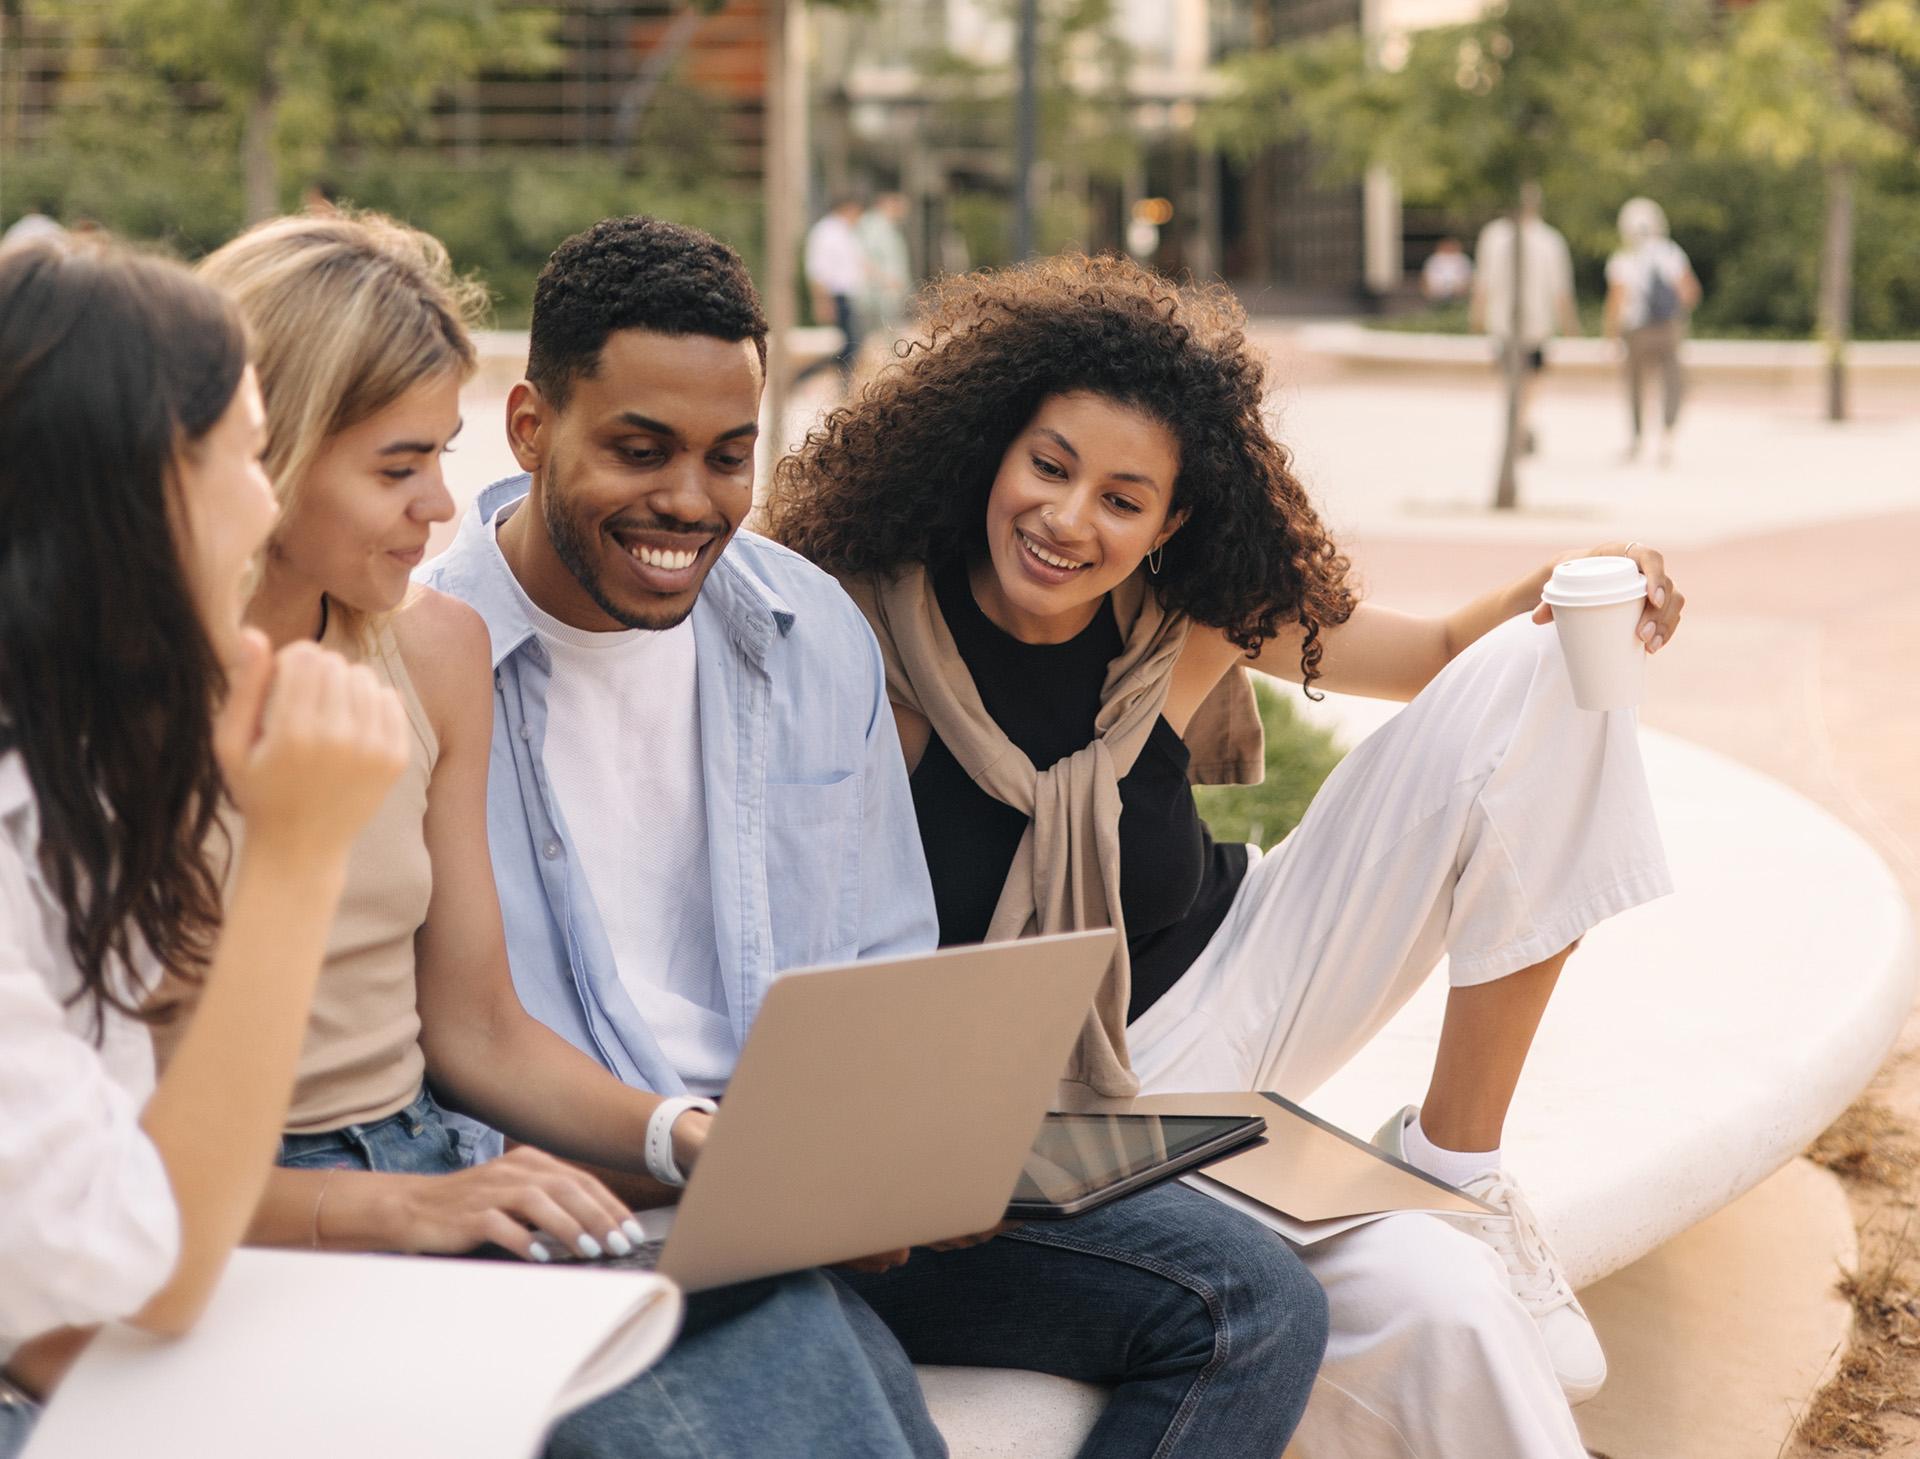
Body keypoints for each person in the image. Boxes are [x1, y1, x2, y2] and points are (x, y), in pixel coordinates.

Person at [422, 214, 1331, 1459]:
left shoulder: (805, 630)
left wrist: (909, 1155)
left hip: (817, 1191)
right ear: (530, 426)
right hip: (589, 1202)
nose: (687, 500)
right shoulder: (425, 660)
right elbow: (445, 1057)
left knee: (1253, 1304)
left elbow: (886, 959)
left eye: (728, 456)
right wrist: (710, 1157)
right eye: (639, 450)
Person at [766, 252, 1689, 1459]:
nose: (1068, 520)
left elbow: (1439, 657)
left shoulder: (1186, 619)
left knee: (1549, 663)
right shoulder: (862, 633)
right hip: (1025, 1105)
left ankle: (1458, 1160)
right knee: (1437, 1298)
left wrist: (1584, 577)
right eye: (1049, 466)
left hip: (1235, 987)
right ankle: (1447, 1242)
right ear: (992, 447)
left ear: (1171, 521)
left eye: (1122, 498)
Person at [191, 210, 945, 1459]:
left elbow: (479, 1027)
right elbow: (122, 1158)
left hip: (432, 1159)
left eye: (440, 455)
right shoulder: (106, 706)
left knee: (808, 1339)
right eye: (398, 467)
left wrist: (690, 1141)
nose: (441, 505)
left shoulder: (432, 652)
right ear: (267, 452)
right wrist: (411, 1207)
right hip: (283, 1195)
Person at [0, 239, 409, 1457]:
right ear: (142, 487)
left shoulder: (72, 766)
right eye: (246, 451)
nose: (266, 504)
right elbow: (141, 1281)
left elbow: (61, 1316)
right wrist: (297, 853)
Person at [1471, 184, 1578, 455]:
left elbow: (1482, 285)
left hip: (1507, 324)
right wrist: (1569, 326)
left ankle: (1517, 424)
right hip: (1533, 325)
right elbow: (1561, 291)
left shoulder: (1494, 236)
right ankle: (1521, 423)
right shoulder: (1548, 240)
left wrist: (1477, 317)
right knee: (1530, 379)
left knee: (1512, 379)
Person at [1605, 197, 1701, 464]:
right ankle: (1667, 438)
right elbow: (1690, 292)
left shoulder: (1623, 258)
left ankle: (1637, 440)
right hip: (1668, 330)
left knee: (1636, 386)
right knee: (1671, 383)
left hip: (1636, 331)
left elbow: (1616, 302)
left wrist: (1611, 337)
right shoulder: (1671, 253)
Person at [796, 196, 868, 387]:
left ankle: (843, 384)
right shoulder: (826, 232)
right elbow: (818, 271)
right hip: (835, 296)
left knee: (850, 346)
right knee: (845, 347)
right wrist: (822, 301)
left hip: (847, 296)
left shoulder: (844, 232)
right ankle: (804, 377)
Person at [857, 192, 914, 341]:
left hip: (890, 292)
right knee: (879, 337)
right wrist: (886, 279)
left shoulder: (889, 227)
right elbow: (864, 259)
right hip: (880, 293)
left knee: (891, 335)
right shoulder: (874, 226)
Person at [1420, 236, 1473, 304]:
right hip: (1437, 290)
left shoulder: (1463, 259)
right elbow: (1425, 276)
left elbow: (1468, 276)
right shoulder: (1434, 259)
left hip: (1458, 290)